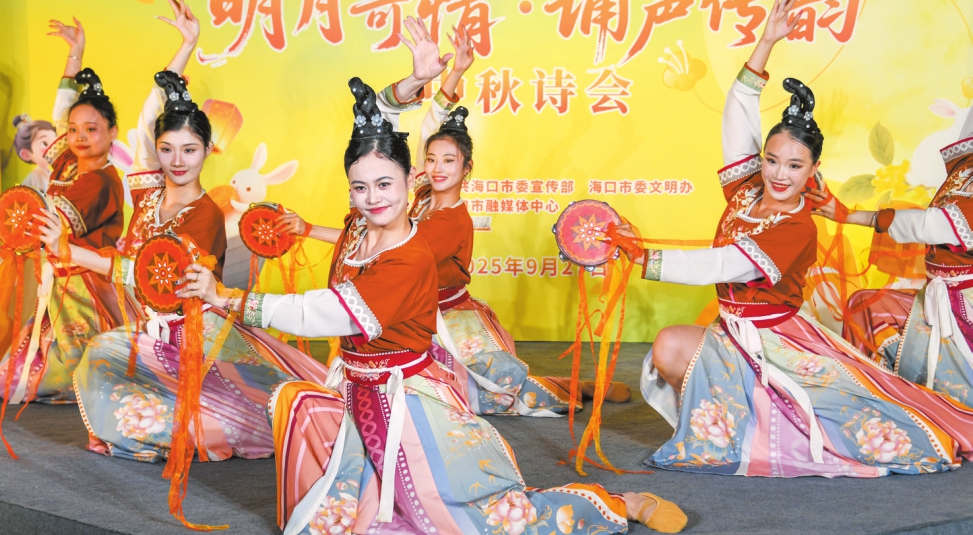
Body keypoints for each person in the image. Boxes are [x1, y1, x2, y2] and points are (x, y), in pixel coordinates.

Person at [181, 78, 686, 535]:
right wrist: (415, 86)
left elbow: (327, 313)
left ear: (410, 182)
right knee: (336, 506)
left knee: (478, 517)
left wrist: (227, 297)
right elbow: (385, 142)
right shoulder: (361, 228)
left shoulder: (410, 255)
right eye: (360, 187)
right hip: (358, 388)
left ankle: (618, 502)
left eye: (385, 185)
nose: (372, 197)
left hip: (405, 397)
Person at [615, 0, 973, 477]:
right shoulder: (746, 191)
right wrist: (767, 42)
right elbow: (738, 109)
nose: (779, 175)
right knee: (668, 348)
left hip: (776, 342)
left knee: (862, 421)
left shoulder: (796, 226)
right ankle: (731, 422)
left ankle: (751, 425)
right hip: (733, 331)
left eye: (794, 166)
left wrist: (641, 256)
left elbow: (723, 264)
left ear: (813, 170)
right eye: (772, 160)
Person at [279, 18, 624, 416]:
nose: (438, 168)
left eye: (449, 161)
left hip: (443, 318)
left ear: (466, 168)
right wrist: (450, 73)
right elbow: (427, 129)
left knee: (497, 397)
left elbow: (381, 249)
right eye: (431, 159)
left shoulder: (448, 222)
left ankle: (578, 387)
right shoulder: (421, 192)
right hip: (409, 310)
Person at [53, 0, 328, 464]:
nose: (177, 161)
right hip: (149, 334)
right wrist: (186, 47)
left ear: (207, 150)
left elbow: (149, 278)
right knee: (98, 362)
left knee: (229, 413)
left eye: (189, 150)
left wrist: (71, 251)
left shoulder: (204, 215)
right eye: (167, 149)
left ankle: (207, 422)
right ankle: (159, 419)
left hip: (196, 340)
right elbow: (148, 116)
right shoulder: (148, 194)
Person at [811, 105, 973, 408]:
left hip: (963, 314)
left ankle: (868, 408)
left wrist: (848, 215)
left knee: (869, 312)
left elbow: (931, 225)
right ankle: (866, 402)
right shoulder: (965, 167)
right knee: (865, 307)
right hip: (940, 301)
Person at [0, 17, 125, 404]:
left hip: (81, 290)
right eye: (73, 130)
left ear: (112, 133)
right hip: (53, 282)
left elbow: (47, 225)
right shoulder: (69, 161)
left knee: (27, 381)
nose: (79, 137)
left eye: (92, 129)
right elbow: (61, 113)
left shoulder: (101, 181)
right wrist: (75, 55)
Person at [8, 114, 56, 191]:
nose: (53, 148)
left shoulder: (52, 173)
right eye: (44, 144)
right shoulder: (33, 179)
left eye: (55, 141)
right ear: (26, 154)